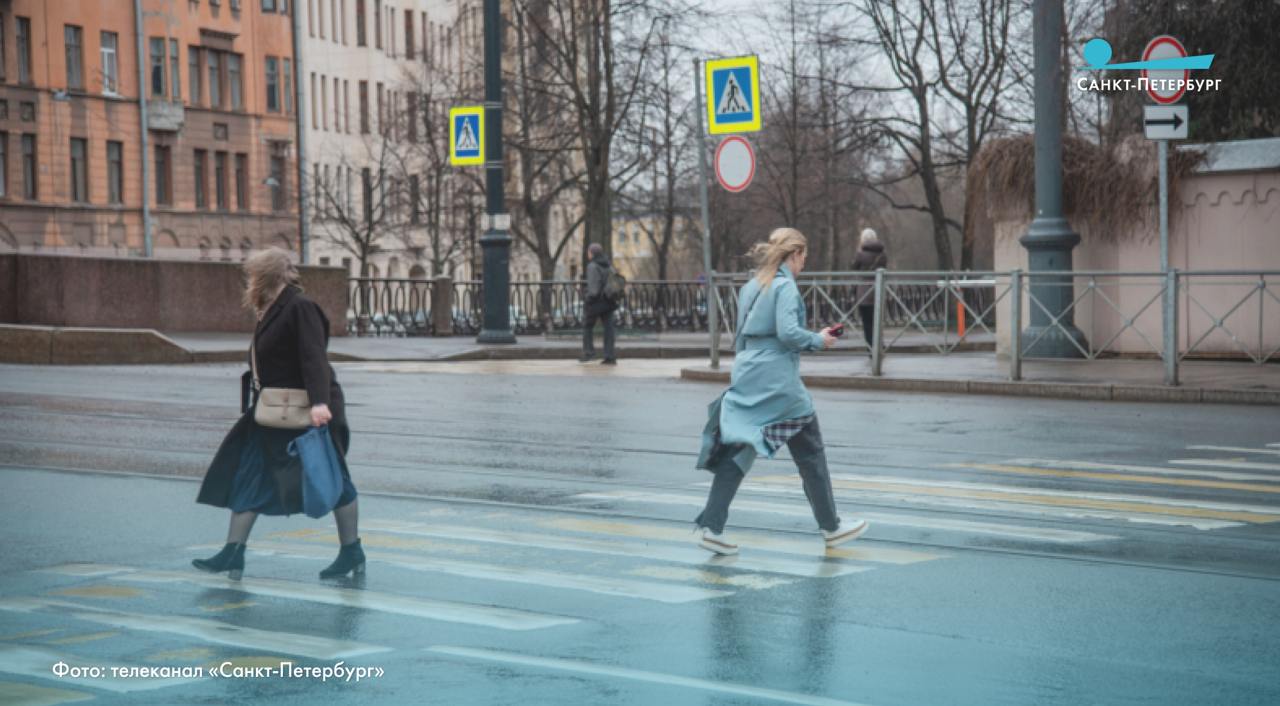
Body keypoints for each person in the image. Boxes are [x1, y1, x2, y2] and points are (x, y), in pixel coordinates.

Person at [693, 228, 869, 555]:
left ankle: (712, 526)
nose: (804, 264)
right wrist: (819, 340)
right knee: (811, 450)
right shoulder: (786, 287)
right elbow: (788, 334)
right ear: (794, 254)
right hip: (778, 382)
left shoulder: (751, 286)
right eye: (804, 257)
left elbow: (743, 335)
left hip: (748, 371)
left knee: (741, 447)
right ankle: (831, 527)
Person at [193, 248, 364, 580]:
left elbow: (314, 357)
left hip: (304, 409)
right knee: (250, 474)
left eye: (253, 275)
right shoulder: (269, 309)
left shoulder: (300, 307)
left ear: (266, 275)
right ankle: (233, 552)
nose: (250, 281)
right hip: (273, 409)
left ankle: (351, 551)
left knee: (330, 479)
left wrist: (319, 404)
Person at [851, 228, 888, 350]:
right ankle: (879, 346)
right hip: (878, 290)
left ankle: (870, 347)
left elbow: (853, 267)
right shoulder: (882, 255)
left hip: (864, 292)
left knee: (867, 323)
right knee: (877, 321)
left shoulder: (860, 254)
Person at [581, 243, 617, 365]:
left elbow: (594, 289)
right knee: (609, 329)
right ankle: (610, 356)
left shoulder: (592, 266)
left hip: (596, 302)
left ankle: (589, 353)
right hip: (609, 301)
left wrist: (587, 298)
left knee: (587, 326)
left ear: (591, 253)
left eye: (588, 252)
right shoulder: (608, 265)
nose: (588, 254)